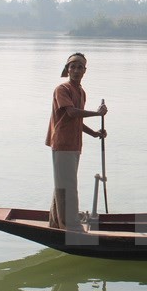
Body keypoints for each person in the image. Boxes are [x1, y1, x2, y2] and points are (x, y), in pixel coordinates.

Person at [46, 52, 107, 231]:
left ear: (84, 71)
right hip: (62, 143)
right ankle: (71, 226)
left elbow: (76, 120)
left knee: (64, 183)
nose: (76, 70)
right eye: (73, 67)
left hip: (74, 144)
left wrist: (95, 133)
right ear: (67, 69)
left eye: (80, 67)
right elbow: (71, 113)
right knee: (68, 186)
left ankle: (56, 222)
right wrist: (97, 113)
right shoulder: (62, 89)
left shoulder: (81, 92)